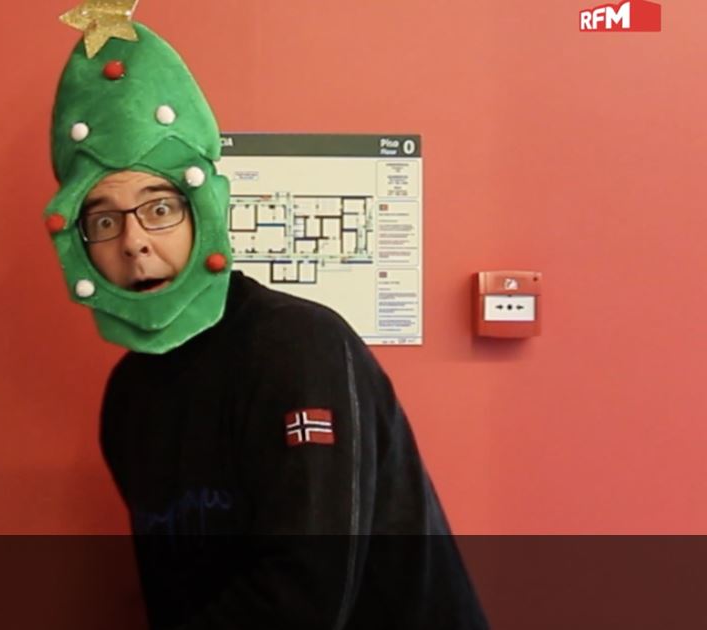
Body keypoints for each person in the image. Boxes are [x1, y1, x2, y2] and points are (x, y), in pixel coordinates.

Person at [43, 4, 488, 628]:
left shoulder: (299, 346)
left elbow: (307, 595)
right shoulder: (126, 399)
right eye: (104, 221)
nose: (135, 242)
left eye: (160, 208)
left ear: (203, 210)